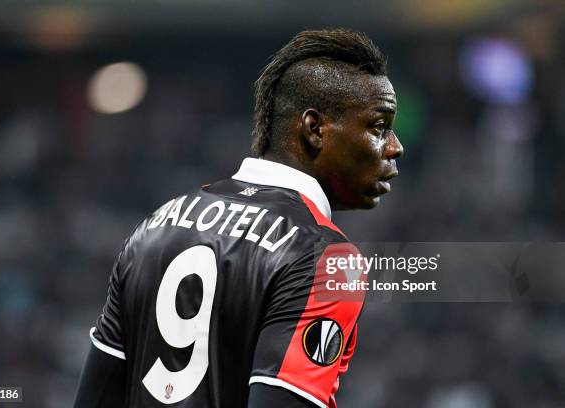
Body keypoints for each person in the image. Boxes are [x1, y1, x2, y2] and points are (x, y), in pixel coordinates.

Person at [74, 28, 403, 408]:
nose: (395, 147)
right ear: (315, 129)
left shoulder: (157, 224)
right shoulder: (329, 260)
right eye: (379, 127)